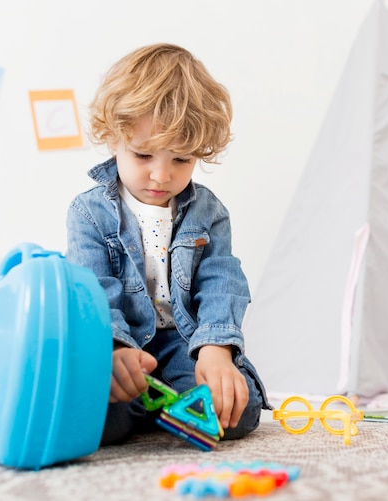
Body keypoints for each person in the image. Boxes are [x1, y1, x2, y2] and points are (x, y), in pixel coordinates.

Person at [66, 43, 270, 445]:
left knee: (239, 408)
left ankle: (160, 405)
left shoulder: (208, 212)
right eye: (143, 155)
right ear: (112, 137)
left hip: (185, 344)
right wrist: (113, 348)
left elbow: (221, 281)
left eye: (181, 160)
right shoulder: (88, 213)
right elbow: (92, 292)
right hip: (121, 347)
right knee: (96, 414)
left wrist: (215, 349)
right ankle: (152, 406)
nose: (161, 175)